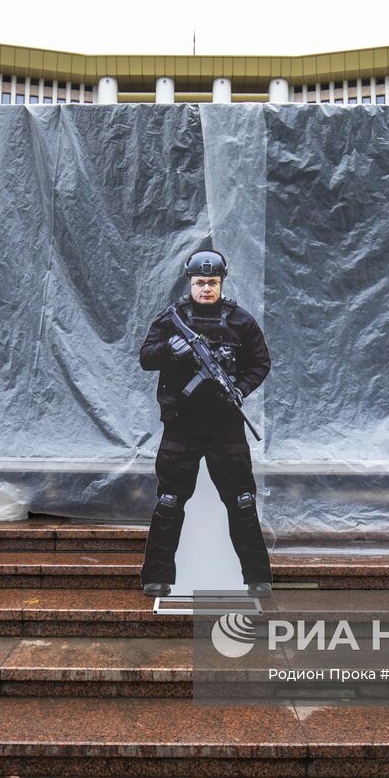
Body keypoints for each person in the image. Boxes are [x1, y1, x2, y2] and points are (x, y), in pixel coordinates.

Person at [138, 249, 274, 599]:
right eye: (200, 282)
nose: (206, 289)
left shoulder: (240, 321)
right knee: (169, 500)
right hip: (181, 425)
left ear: (221, 282)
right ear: (190, 282)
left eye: (212, 282)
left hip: (226, 426)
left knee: (242, 500)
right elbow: (145, 357)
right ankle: (157, 577)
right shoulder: (172, 319)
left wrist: (240, 390)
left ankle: (258, 578)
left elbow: (260, 362)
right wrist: (170, 347)